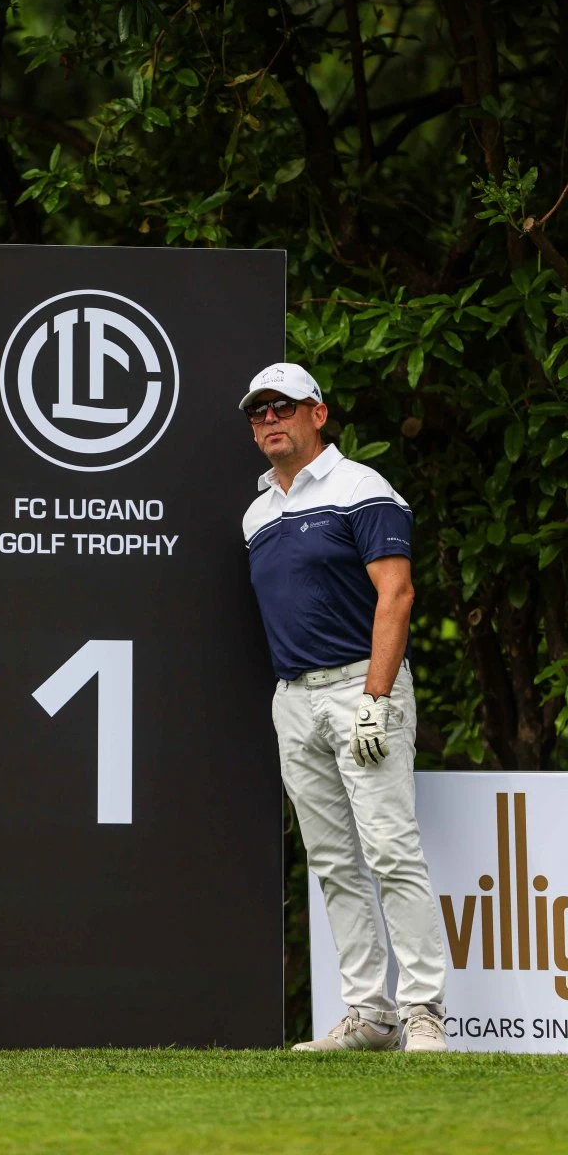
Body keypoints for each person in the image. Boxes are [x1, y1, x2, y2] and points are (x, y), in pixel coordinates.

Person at [240, 362, 448, 1053]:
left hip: (363, 686)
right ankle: (370, 1014)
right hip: (294, 699)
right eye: (259, 412)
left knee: (390, 851)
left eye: (283, 407)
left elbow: (398, 594)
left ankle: (423, 1011)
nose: (270, 420)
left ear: (318, 414)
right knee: (333, 861)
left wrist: (375, 699)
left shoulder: (362, 488)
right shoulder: (257, 514)